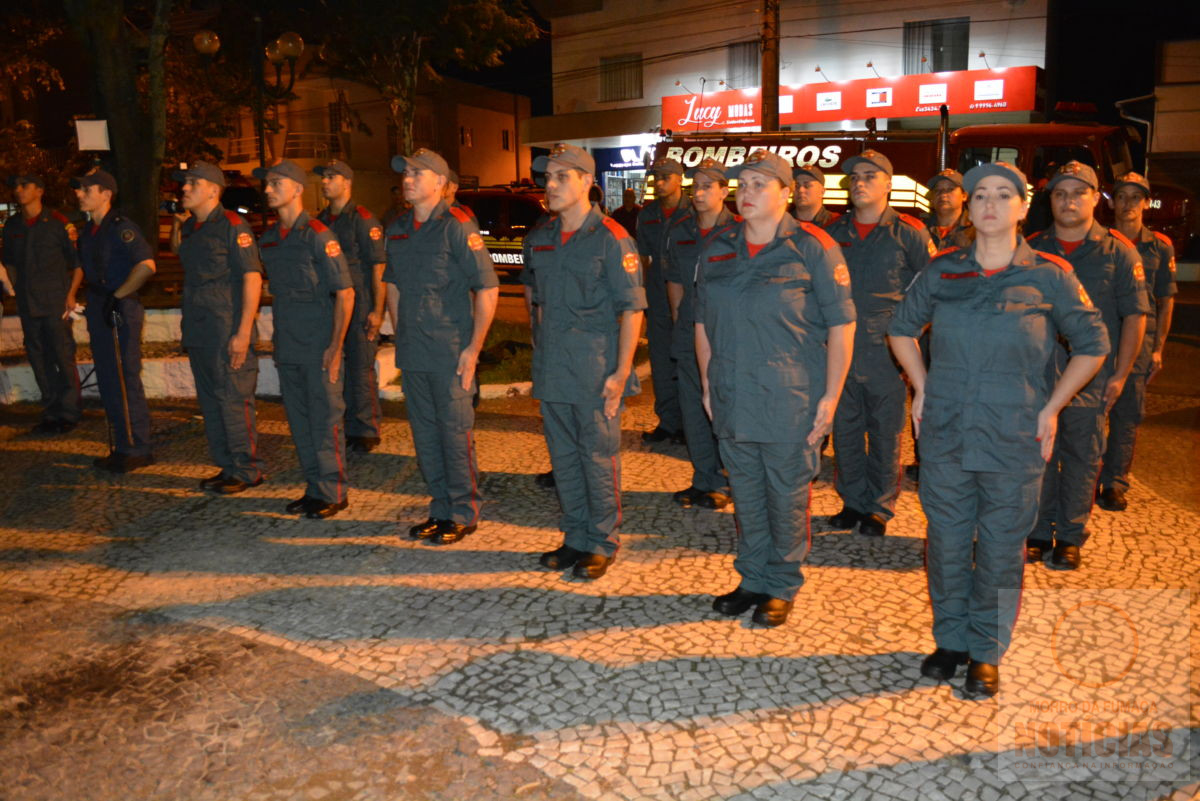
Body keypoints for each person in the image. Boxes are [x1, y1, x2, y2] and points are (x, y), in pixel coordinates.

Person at [888, 162, 1108, 697]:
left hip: (1015, 435)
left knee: (1002, 546)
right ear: (967, 205)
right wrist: (922, 386)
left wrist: (1053, 407)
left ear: (1022, 206)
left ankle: (986, 648)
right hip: (946, 432)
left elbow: (1093, 345)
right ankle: (951, 641)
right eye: (979, 194)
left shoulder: (1049, 274)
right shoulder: (943, 270)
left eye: (1002, 194)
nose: (989, 203)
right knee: (945, 540)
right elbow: (900, 328)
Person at [696, 150, 855, 627]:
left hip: (791, 397)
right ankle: (751, 577)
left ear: (786, 194)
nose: (747, 192)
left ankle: (781, 583)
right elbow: (702, 321)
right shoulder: (718, 247)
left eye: (760, 184)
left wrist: (831, 395)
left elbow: (843, 324)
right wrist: (707, 383)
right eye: (742, 184)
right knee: (745, 492)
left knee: (785, 495)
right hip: (731, 393)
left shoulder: (813, 247)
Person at [521, 143, 646, 580]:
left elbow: (632, 309)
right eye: (547, 177)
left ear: (588, 182)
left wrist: (621, 371)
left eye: (561, 177)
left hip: (595, 371)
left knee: (597, 457)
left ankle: (601, 540)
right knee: (564, 458)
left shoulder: (611, 237)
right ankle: (575, 536)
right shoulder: (540, 239)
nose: (550, 185)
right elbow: (534, 301)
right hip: (553, 367)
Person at [1026, 161, 1148, 569]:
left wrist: (1121, 374)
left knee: (1081, 458)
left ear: (1096, 198)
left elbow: (1135, 315)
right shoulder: (1032, 248)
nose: (1068, 201)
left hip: (1090, 379)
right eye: (1060, 193)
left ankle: (1070, 535)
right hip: (1038, 378)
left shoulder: (1119, 251)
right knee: (1038, 455)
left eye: (1079, 193)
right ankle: (1039, 531)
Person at [386, 148, 499, 545]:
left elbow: (487, 288)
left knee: (454, 434)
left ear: (439, 181)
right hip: (415, 352)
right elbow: (395, 287)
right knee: (425, 435)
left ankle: (463, 511)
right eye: (406, 172)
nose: (409, 178)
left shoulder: (456, 226)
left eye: (418, 172)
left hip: (451, 351)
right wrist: (401, 336)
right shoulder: (398, 228)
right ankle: (439, 508)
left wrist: (473, 349)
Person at [824, 150, 934, 536]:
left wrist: (910, 340)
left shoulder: (909, 232)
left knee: (886, 433)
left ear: (889, 184)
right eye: (854, 176)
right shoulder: (834, 233)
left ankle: (879, 507)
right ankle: (852, 501)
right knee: (846, 430)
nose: (859, 182)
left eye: (870, 175)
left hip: (887, 352)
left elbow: (931, 289)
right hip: (841, 348)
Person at [254, 159, 355, 519]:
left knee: (325, 418)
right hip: (289, 344)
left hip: (319, 343)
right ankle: (314, 488)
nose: (268, 189)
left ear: (297, 189)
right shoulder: (269, 239)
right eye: (266, 183)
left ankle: (333, 491)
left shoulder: (317, 235)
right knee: (299, 420)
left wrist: (336, 346)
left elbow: (345, 292)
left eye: (276, 182)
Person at [170, 161, 265, 494]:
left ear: (213, 189)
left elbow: (252, 278)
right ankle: (227, 466)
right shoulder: (192, 228)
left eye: (193, 183)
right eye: (184, 183)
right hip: (199, 329)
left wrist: (242, 332)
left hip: (226, 329)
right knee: (211, 403)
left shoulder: (232, 226)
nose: (184, 188)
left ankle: (247, 469)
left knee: (233, 401)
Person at [1097, 172, 1177, 511]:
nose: (1128, 203)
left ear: (1146, 203)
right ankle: (1086, 474)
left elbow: (1166, 299)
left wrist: (1158, 348)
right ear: (1112, 201)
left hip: (1140, 343)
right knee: (1090, 411)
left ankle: (1114, 482)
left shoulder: (1159, 246)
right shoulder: (1098, 241)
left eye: (1136, 197)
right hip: (1101, 339)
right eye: (1122, 196)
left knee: (1127, 414)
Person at [664, 157, 738, 510]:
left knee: (723, 409)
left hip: (725, 336)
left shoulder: (739, 232)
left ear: (725, 191)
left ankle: (727, 479)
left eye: (709, 185)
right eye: (696, 185)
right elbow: (675, 285)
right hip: (689, 332)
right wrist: (682, 325)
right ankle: (703, 478)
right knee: (693, 409)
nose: (700, 191)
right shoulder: (680, 231)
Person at [73, 169, 157, 472]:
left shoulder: (122, 228)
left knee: (124, 377)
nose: (79, 193)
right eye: (79, 189)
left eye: (86, 189)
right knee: (109, 379)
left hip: (119, 307)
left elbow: (146, 266)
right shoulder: (89, 232)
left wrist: (118, 296)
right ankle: (123, 446)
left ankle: (138, 448)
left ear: (106, 194)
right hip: (100, 305)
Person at [315, 159, 387, 453]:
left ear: (347, 182)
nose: (325, 182)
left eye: (332, 177)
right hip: (330, 302)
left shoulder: (362, 218)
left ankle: (366, 428)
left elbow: (378, 267)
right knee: (334, 365)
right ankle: (343, 423)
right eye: (323, 177)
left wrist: (378, 310)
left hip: (359, 301)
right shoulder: (320, 220)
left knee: (360, 366)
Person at [2, 174, 82, 434]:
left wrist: (70, 295)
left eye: (24, 185)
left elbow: (79, 263)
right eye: (16, 186)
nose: (18, 190)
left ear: (40, 190)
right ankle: (51, 410)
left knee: (62, 354)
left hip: (54, 301)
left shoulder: (58, 223)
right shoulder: (12, 225)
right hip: (28, 302)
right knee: (38, 357)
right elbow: (10, 262)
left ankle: (69, 413)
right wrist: (12, 289)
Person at [636, 157, 686, 443]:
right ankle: (668, 422)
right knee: (662, 364)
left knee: (687, 366)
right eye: (657, 177)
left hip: (686, 303)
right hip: (657, 300)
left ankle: (690, 426)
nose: (660, 182)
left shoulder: (692, 212)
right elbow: (644, 258)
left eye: (666, 177)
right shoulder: (648, 214)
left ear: (679, 180)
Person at [925, 169, 973, 250]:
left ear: (964, 195)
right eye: (938, 190)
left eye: (950, 189)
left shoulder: (977, 231)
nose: (943, 194)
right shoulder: (920, 230)